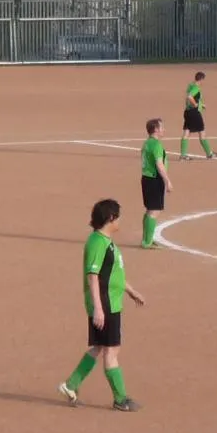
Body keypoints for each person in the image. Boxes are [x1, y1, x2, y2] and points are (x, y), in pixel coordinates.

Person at [59, 198, 145, 411]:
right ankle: (120, 399)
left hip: (109, 302)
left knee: (100, 346)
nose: (120, 221)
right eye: (118, 217)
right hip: (106, 305)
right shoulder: (98, 243)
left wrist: (131, 291)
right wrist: (98, 308)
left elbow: (113, 274)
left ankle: (71, 385)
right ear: (111, 218)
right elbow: (93, 275)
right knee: (111, 350)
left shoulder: (104, 241)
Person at [138, 117, 172, 248]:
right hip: (154, 179)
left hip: (146, 178)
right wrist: (167, 181)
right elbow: (159, 164)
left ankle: (146, 239)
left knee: (150, 210)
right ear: (156, 129)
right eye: (161, 127)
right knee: (154, 211)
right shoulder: (157, 145)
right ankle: (147, 242)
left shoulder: (147, 143)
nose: (164, 130)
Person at [179, 72, 216, 160]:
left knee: (186, 132)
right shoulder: (196, 88)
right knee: (202, 133)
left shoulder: (190, 85)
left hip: (187, 112)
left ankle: (183, 155)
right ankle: (209, 154)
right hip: (194, 112)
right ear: (201, 79)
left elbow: (189, 96)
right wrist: (195, 104)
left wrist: (201, 105)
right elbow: (189, 96)